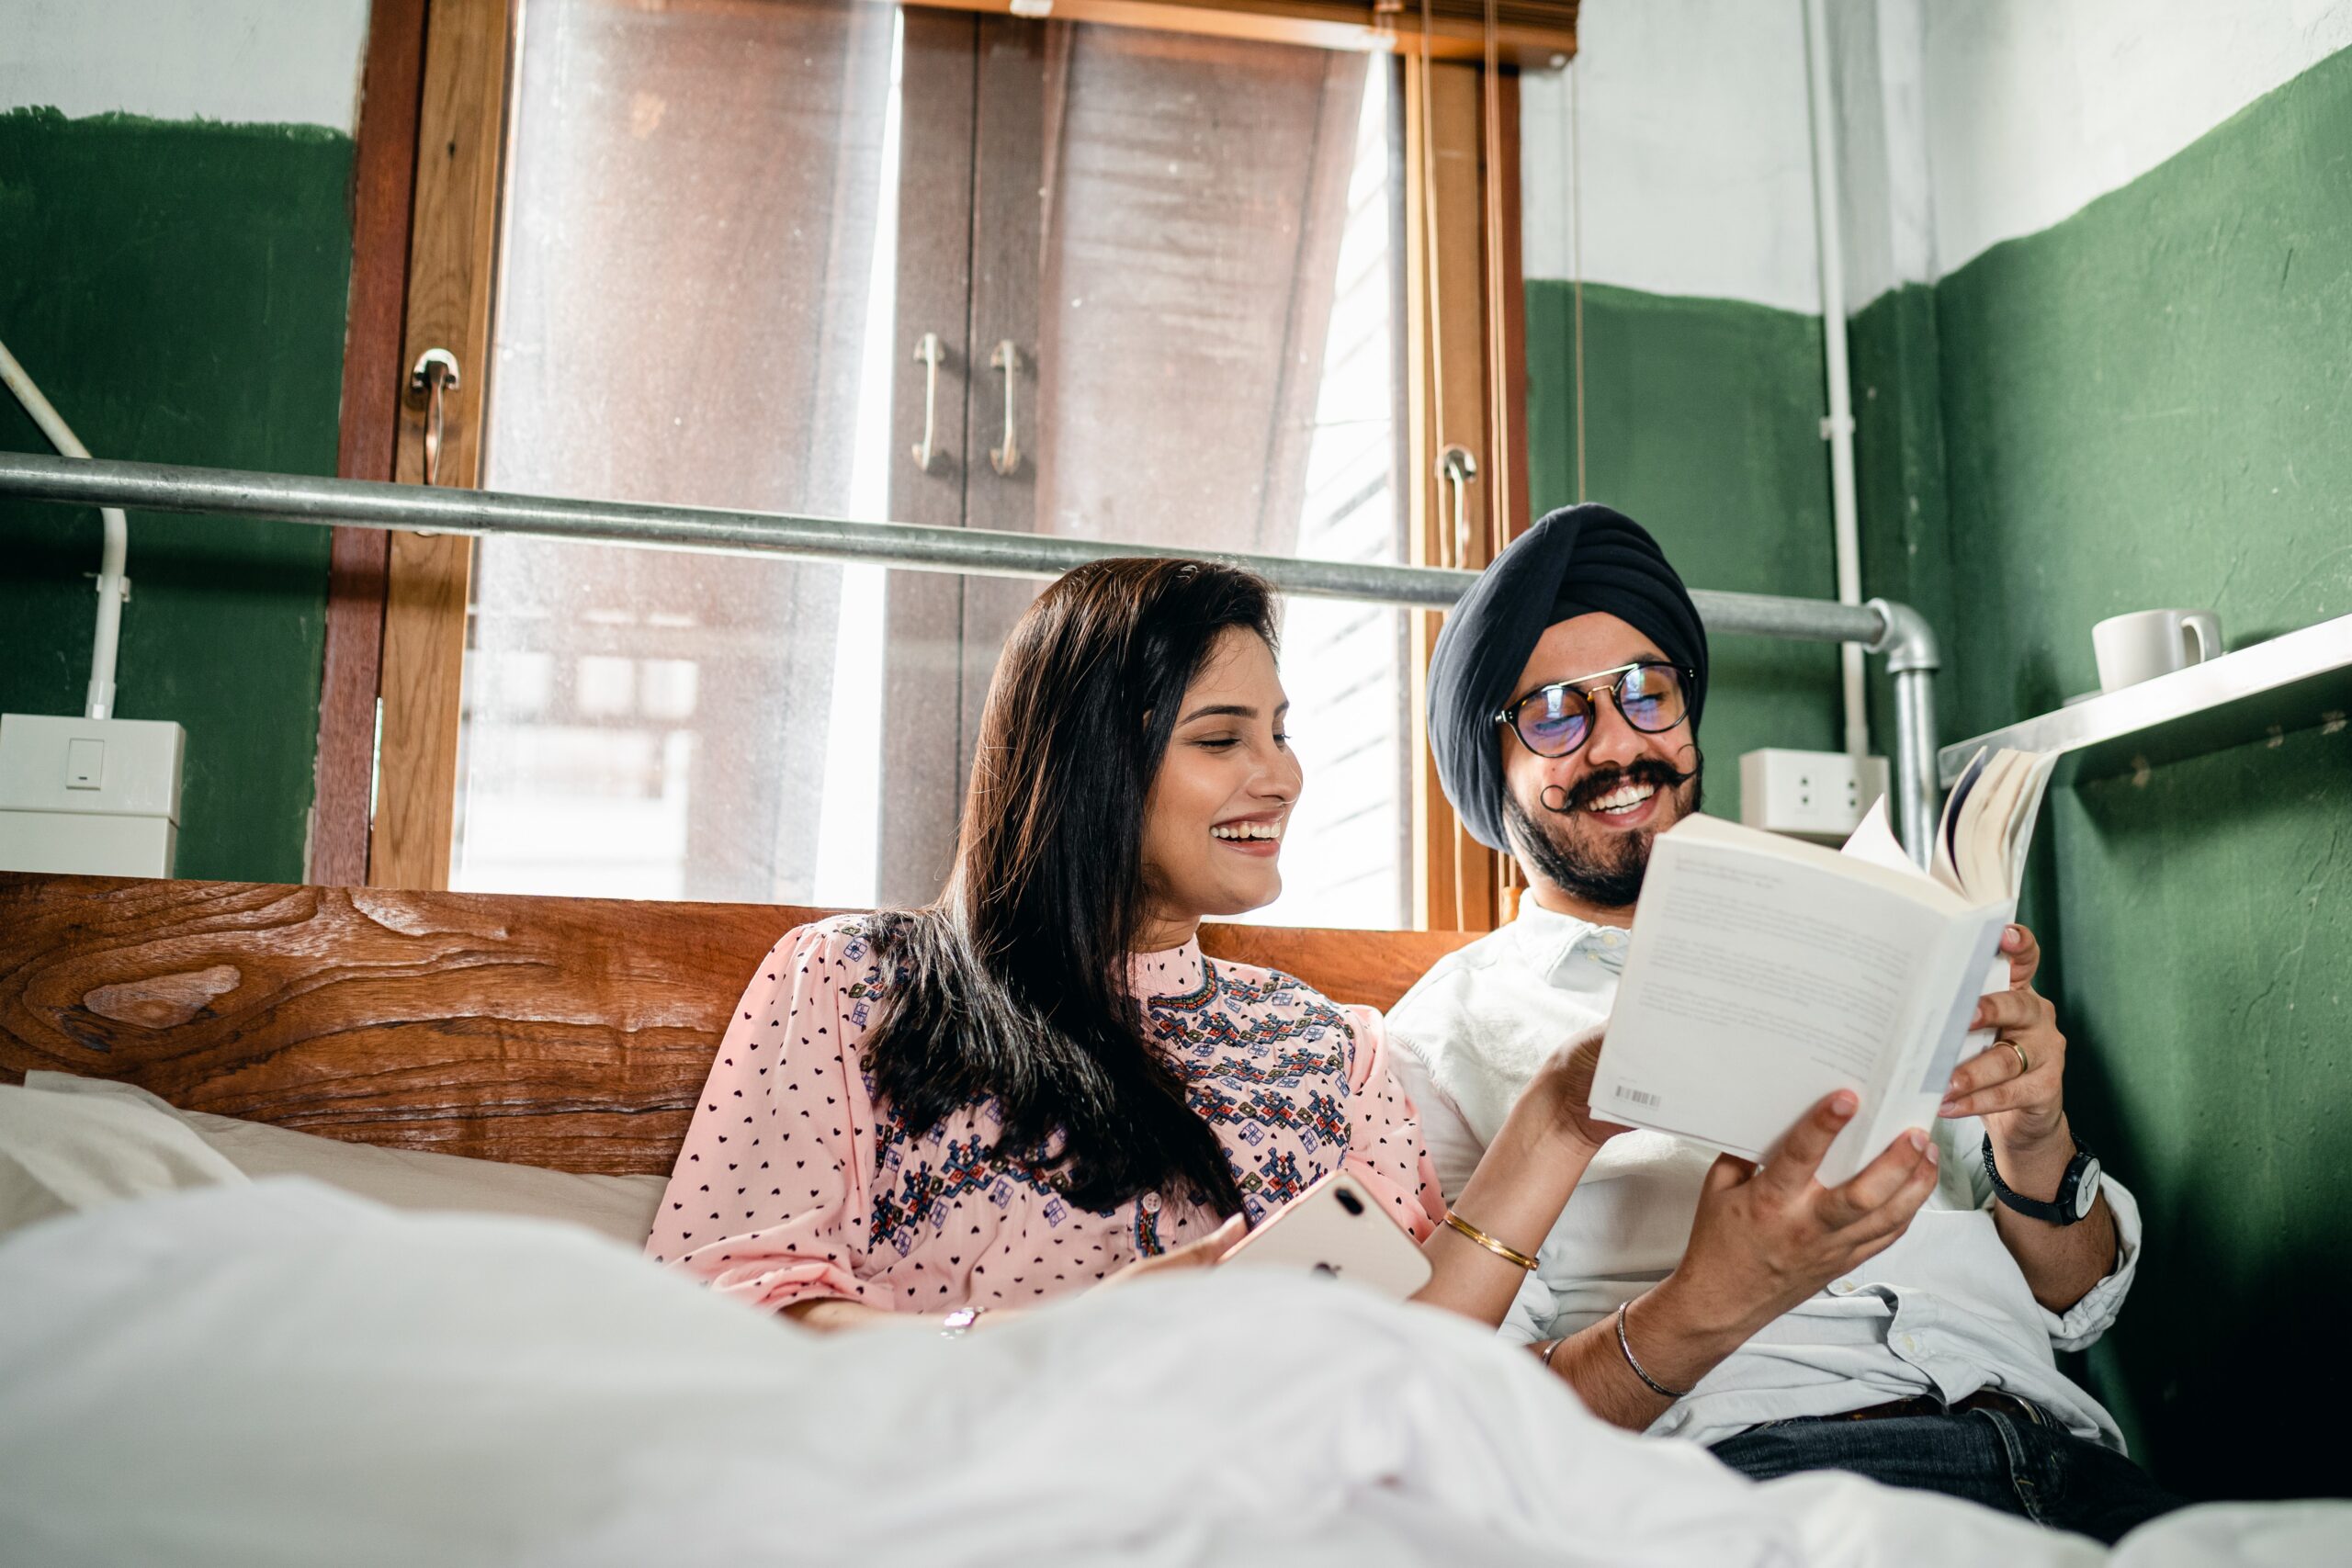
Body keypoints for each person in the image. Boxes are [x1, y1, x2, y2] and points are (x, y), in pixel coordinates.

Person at [1385, 502, 2183, 1544]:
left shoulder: (1868, 928)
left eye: (1646, 693)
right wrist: (1713, 1297)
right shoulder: (1441, 1036)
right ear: (1486, 768)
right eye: (1553, 714)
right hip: (1764, 1475)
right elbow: (1476, 1418)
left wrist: (2034, 1138)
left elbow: (2076, 1299)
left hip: (2063, 1459)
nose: (1620, 745)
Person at [650, 557, 1618, 1338]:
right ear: (1090, 764)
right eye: (1219, 739)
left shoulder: (1331, 1049)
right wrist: (1037, 1355)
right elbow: (730, 1298)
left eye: (1279, 734)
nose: (1280, 777)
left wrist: (1563, 1117)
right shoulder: (855, 982)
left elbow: (1420, 1348)